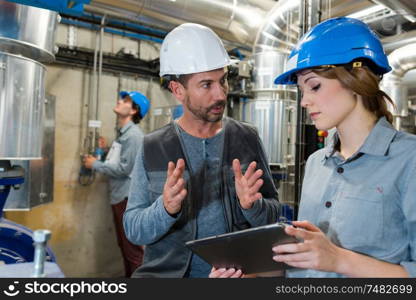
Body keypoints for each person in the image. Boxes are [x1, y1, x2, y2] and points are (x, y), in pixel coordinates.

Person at [210, 17, 416, 278]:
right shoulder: (317, 162)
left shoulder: (409, 159)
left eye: (315, 86)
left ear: (358, 78)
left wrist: (339, 260)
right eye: (301, 90)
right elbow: (305, 266)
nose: (305, 101)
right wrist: (249, 275)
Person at [123, 23, 281, 278]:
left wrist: (253, 206)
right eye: (206, 84)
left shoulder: (247, 138)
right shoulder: (153, 146)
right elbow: (134, 228)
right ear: (178, 90)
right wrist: (165, 208)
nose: (220, 94)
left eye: (223, 80)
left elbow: (274, 213)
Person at [83, 91, 150, 277]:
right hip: (119, 196)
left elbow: (124, 170)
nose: (120, 101)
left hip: (126, 197)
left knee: (132, 250)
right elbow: (119, 162)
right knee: (125, 245)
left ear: (134, 110)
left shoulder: (134, 136)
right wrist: (106, 150)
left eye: (126, 100)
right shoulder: (123, 135)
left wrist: (94, 164)